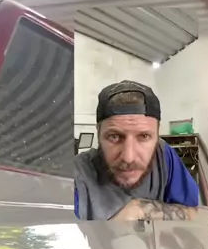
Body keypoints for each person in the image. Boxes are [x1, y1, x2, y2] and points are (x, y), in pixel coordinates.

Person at [74, 80, 200, 221]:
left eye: (144, 136)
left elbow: (196, 214)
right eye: (114, 137)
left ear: (157, 135)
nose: (129, 158)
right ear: (98, 133)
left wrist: (141, 210)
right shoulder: (75, 178)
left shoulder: (163, 154)